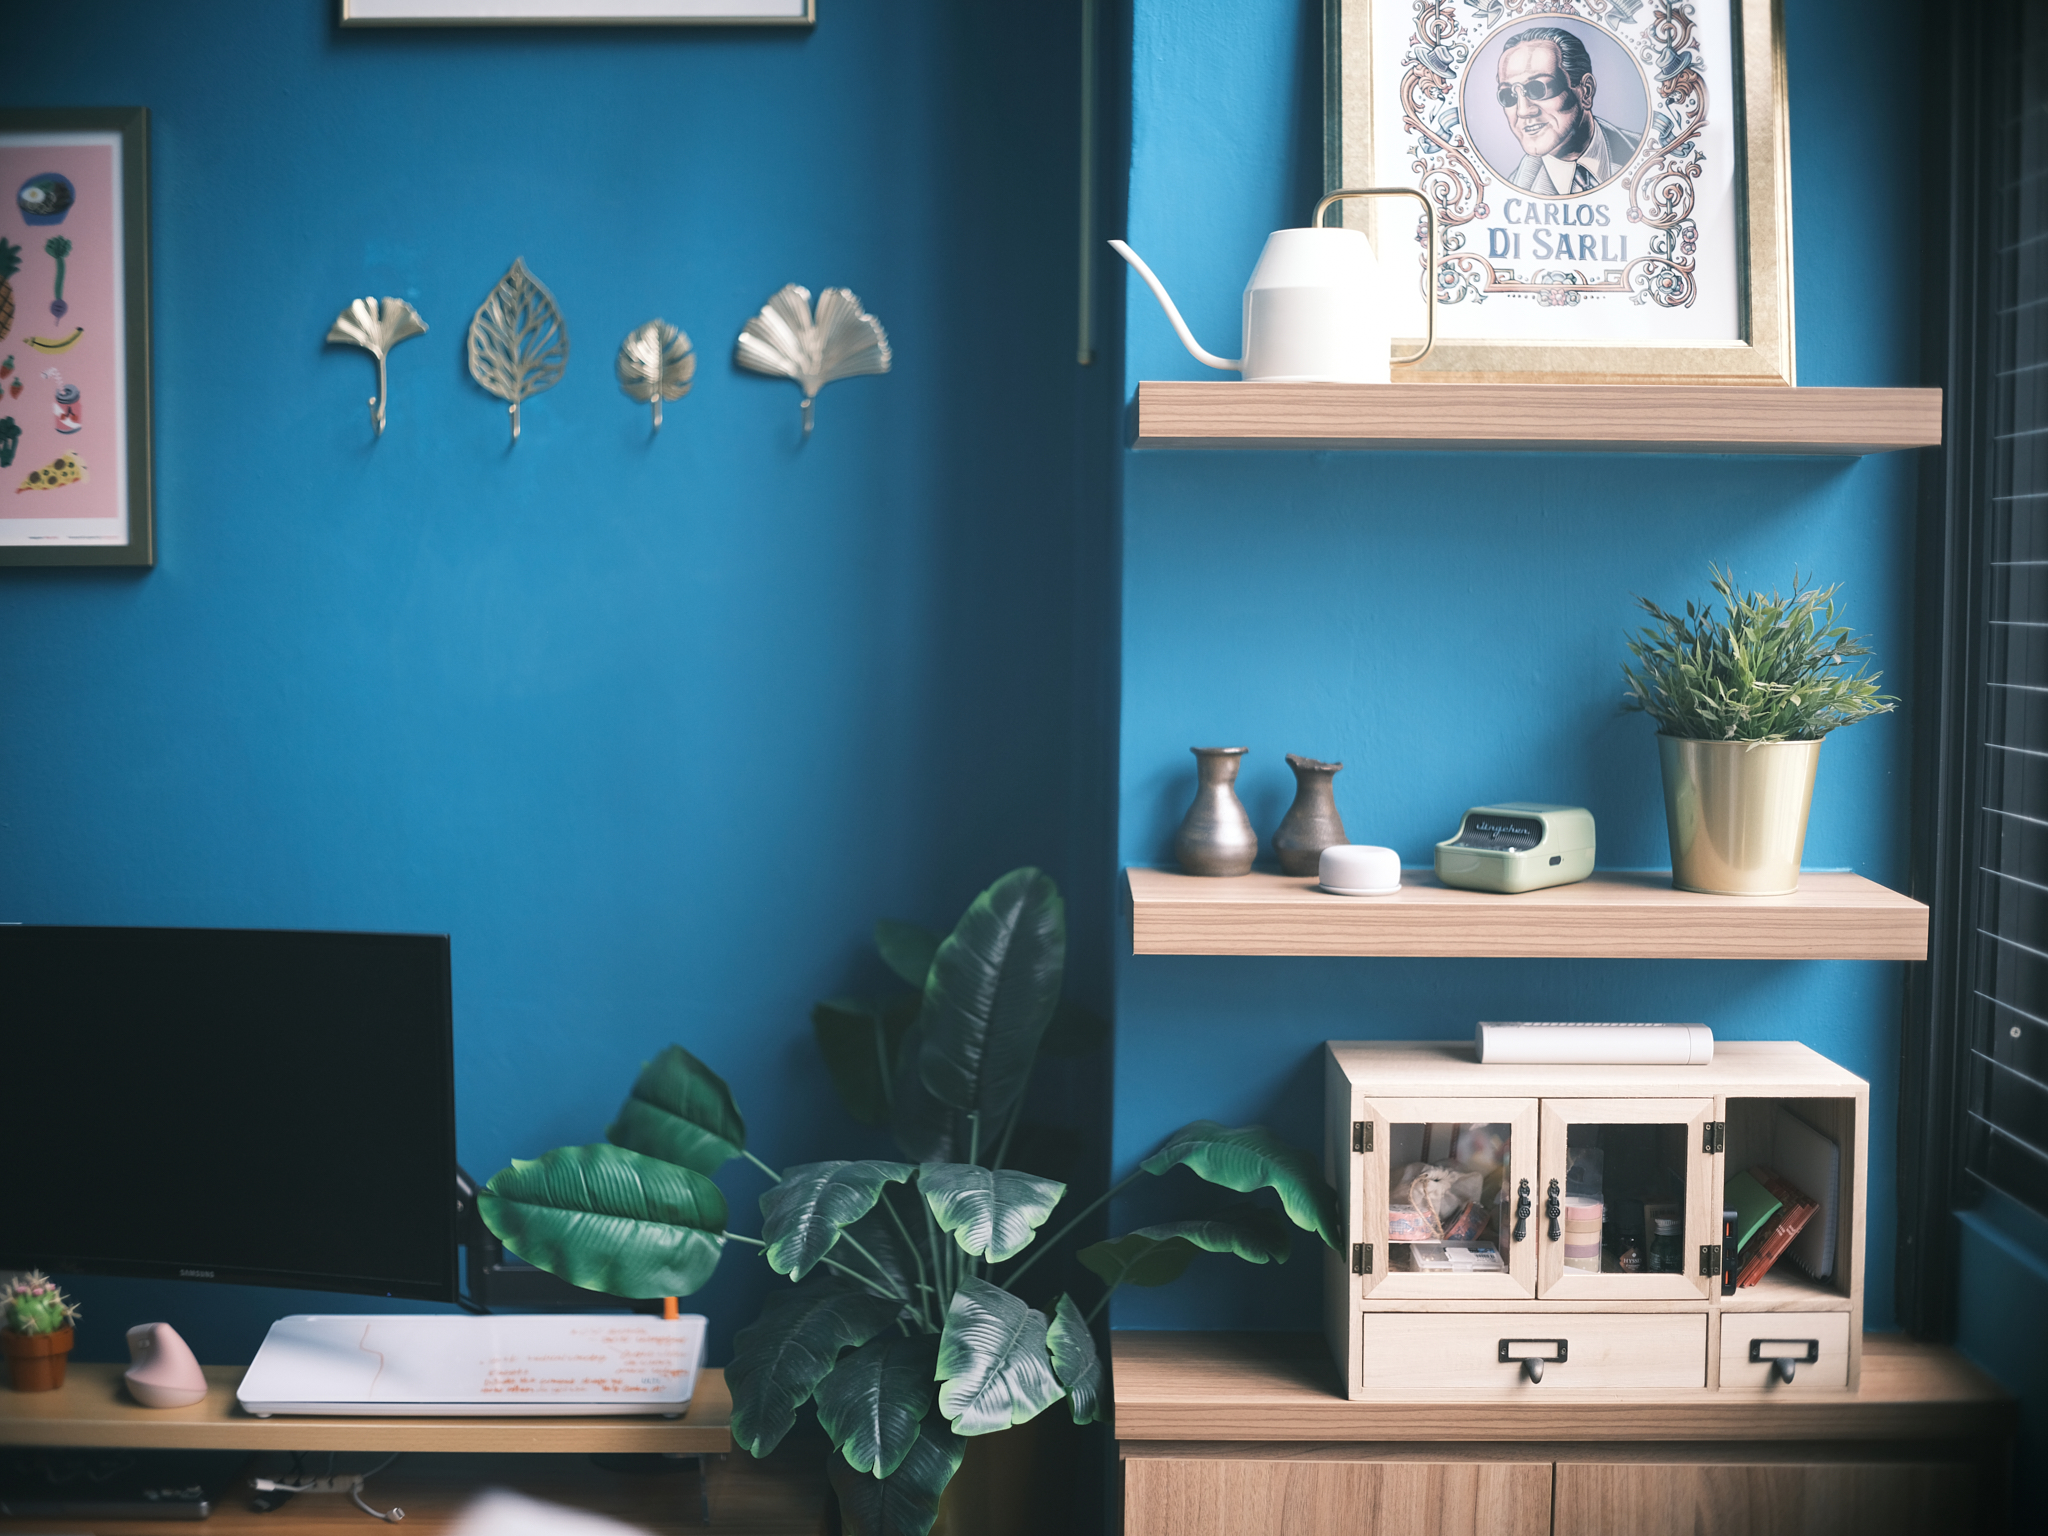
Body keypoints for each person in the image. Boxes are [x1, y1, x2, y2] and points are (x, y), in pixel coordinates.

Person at [1492, 25, 1641, 196]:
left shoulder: (1649, 155)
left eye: (1537, 89)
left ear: (1586, 91)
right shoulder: (1512, 190)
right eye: (1508, 95)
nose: (1523, 111)